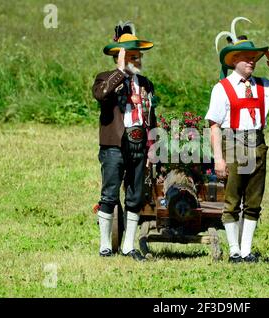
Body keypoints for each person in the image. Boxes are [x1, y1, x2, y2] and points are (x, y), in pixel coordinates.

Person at [205, 17, 269, 263]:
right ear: (234, 60)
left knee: (254, 201)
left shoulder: (264, 86)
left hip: (257, 144)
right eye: (247, 58)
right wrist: (219, 159)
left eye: (254, 58)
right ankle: (234, 250)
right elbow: (214, 125)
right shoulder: (222, 88)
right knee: (232, 200)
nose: (252, 62)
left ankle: (246, 251)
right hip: (233, 143)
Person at [92, 21, 157, 260]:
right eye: (131, 56)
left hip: (139, 145)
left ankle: (129, 245)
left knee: (135, 195)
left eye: (138, 56)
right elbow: (101, 95)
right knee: (109, 194)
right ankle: (105, 245)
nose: (136, 60)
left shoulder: (146, 84)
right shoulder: (105, 79)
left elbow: (152, 118)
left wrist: (153, 148)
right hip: (113, 146)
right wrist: (120, 72)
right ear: (119, 57)